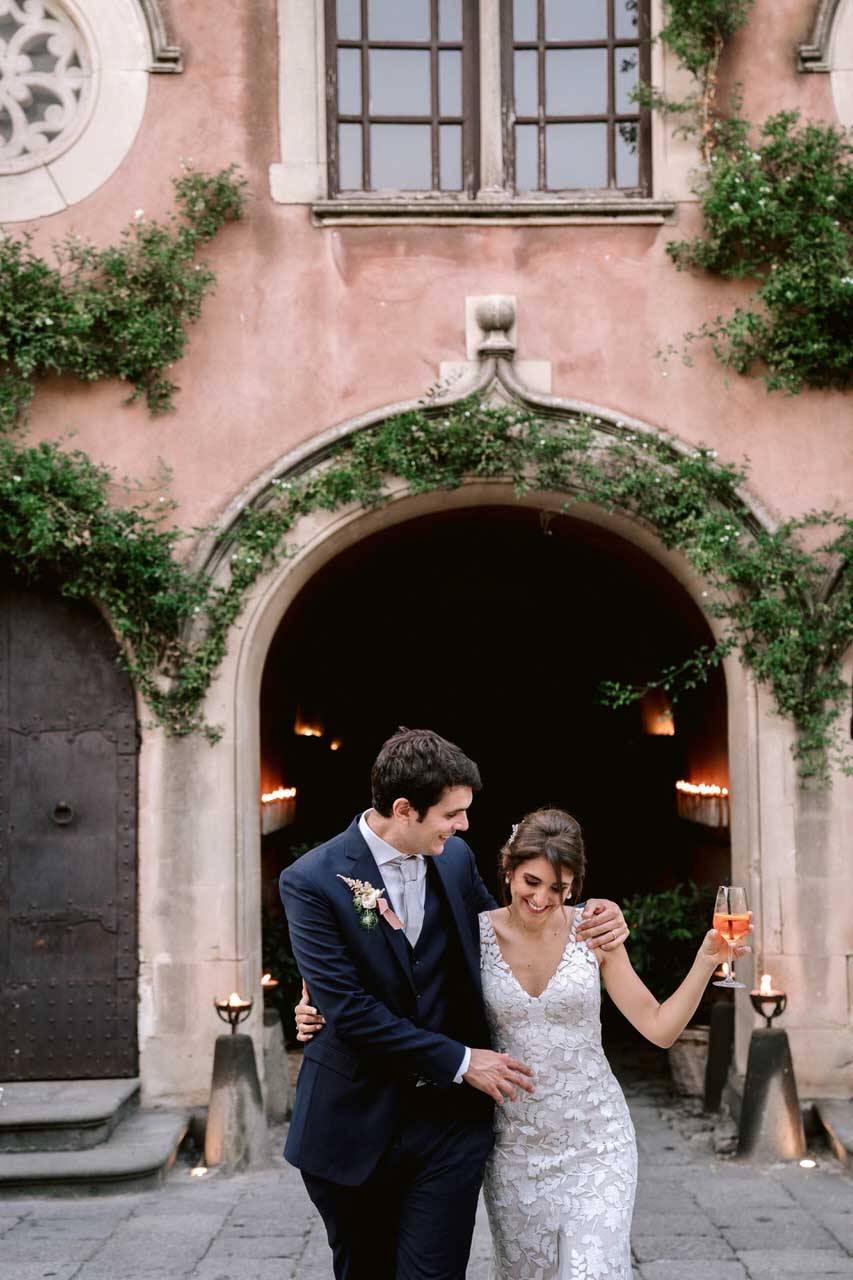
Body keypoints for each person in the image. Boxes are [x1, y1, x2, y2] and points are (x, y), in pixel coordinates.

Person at [280, 727, 629, 1280]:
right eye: (452, 813)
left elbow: (507, 940)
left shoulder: (455, 859)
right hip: (353, 1121)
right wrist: (464, 1060)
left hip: (447, 1128)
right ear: (404, 809)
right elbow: (346, 1007)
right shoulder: (312, 880)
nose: (464, 825)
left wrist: (592, 916)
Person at [479, 807, 751, 1280]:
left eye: (559, 888)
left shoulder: (595, 932)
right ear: (507, 868)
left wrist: (708, 960)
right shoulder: (474, 935)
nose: (542, 898)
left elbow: (659, 1027)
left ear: (575, 886)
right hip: (514, 1151)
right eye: (531, 881)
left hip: (597, 1143)